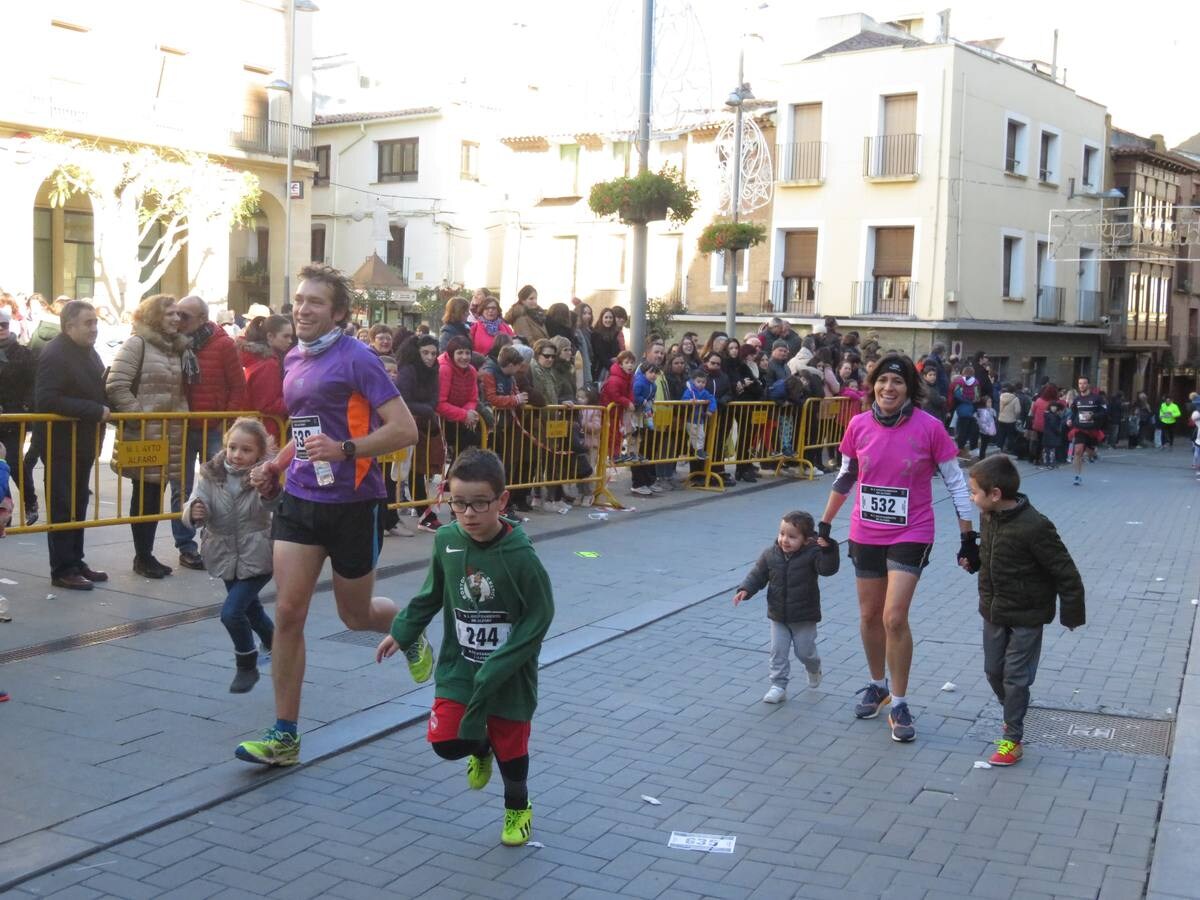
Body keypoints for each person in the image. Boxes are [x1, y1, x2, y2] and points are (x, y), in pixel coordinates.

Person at [236, 264, 419, 767]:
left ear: (338, 312)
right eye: (298, 300)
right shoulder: (293, 356)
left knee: (354, 615)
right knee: (290, 613)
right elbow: (304, 424)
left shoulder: (358, 357)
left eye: (315, 302)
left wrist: (345, 449)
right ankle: (284, 736)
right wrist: (276, 464)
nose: (302, 309)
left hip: (353, 503)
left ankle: (408, 628)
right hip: (300, 500)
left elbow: (405, 431)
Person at [376, 448, 554, 847]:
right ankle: (480, 745)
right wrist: (402, 631)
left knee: (512, 748)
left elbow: (540, 616)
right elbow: (431, 593)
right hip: (460, 666)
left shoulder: (521, 555)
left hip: (509, 674)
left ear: (502, 501)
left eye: (480, 504)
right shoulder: (446, 540)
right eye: (458, 503)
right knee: (445, 743)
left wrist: (503, 663)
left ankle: (517, 808)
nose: (469, 514)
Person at [817, 354, 976, 743]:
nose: (889, 388)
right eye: (883, 381)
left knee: (893, 617)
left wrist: (968, 537)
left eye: (898, 382)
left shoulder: (930, 428)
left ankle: (901, 701)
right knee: (870, 615)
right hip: (865, 531)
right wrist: (823, 523)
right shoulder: (858, 424)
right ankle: (877, 686)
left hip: (912, 531)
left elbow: (956, 482)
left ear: (910, 389)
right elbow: (846, 475)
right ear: (873, 384)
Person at [963, 454, 1085, 765]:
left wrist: (1071, 613)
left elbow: (1065, 571)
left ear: (995, 494)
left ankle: (1012, 738)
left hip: (1028, 615)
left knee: (1015, 676)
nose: (970, 496)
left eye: (974, 491)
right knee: (994, 671)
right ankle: (1014, 710)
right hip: (993, 610)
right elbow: (990, 553)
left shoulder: (1036, 526)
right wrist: (974, 559)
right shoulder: (988, 516)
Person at [183, 418, 278, 693]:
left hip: (257, 554)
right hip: (223, 555)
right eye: (233, 447)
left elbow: (274, 503)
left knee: (231, 613)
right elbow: (195, 500)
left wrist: (267, 487)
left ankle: (246, 664)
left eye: (246, 450)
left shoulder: (263, 475)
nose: (237, 455)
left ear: (259, 453)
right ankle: (276, 643)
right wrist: (194, 512)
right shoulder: (211, 474)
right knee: (252, 610)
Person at [106, 294, 192, 579]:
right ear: (154, 316)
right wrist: (139, 415)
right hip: (144, 434)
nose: (176, 319)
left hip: (170, 435)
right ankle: (142, 556)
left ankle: (146, 555)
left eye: (179, 314)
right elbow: (116, 384)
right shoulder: (137, 343)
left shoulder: (176, 349)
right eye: (170, 314)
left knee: (155, 494)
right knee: (145, 494)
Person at [33, 301, 110, 589]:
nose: (94, 328)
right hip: (60, 444)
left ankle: (76, 561)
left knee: (78, 501)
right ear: (69, 326)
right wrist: (93, 410)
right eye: (88, 323)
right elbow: (47, 400)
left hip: (84, 442)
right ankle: (63, 569)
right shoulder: (55, 353)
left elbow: (99, 390)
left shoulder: (88, 353)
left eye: (95, 322)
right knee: (63, 504)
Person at [173, 295, 248, 571]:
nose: (179, 320)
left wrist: (226, 422)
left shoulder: (223, 344)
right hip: (181, 426)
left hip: (213, 427)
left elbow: (238, 386)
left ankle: (212, 540)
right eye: (177, 314)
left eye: (185, 316)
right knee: (180, 486)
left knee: (216, 487)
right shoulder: (174, 342)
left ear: (203, 319)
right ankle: (185, 545)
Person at [734, 510, 840, 703]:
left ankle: (814, 667)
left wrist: (829, 550)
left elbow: (827, 569)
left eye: (792, 537)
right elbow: (758, 574)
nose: (785, 540)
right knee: (777, 651)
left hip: (804, 615)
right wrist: (745, 589)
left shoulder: (813, 553)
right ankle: (778, 685)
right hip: (778, 614)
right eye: (782, 534)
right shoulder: (770, 554)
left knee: (805, 652)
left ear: (807, 540)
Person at [394, 334, 444, 533]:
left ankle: (424, 513)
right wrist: (427, 410)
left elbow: (434, 398)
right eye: (425, 352)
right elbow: (403, 399)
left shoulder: (433, 371)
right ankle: (418, 513)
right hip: (404, 425)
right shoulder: (408, 371)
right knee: (398, 472)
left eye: (433, 353)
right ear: (417, 353)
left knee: (418, 471)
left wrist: (427, 410)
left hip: (422, 426)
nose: (430, 357)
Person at [0, 306, 39, 524]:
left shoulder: (24, 354)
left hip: (14, 420)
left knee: (14, 463)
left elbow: (33, 384)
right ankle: (4, 511)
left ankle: (30, 501)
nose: (0, 329)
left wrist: (25, 407)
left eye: (4, 325)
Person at [240, 315, 293, 442]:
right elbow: (267, 404)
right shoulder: (268, 364)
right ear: (270, 336)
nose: (290, 341)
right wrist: (295, 401)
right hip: (266, 431)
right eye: (286, 336)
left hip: (255, 428)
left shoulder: (255, 358)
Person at [436, 336, 482, 465]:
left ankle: (454, 481)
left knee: (473, 442)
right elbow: (439, 403)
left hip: (459, 418)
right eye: (460, 353)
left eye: (467, 353)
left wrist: (469, 413)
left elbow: (473, 398)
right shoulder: (444, 369)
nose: (464, 357)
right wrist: (464, 415)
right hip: (440, 420)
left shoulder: (472, 371)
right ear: (452, 354)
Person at [1067, 376, 1107, 486]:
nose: (1082, 386)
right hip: (1080, 429)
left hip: (1092, 430)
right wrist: (1070, 420)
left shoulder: (1097, 398)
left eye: (1084, 383)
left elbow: (1104, 413)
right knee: (1078, 451)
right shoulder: (1077, 400)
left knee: (1090, 452)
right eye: (1080, 383)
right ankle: (1077, 476)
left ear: (1088, 385)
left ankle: (1094, 455)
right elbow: (1074, 413)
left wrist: (1093, 415)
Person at [589, 308, 621, 384]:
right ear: (601, 318)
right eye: (606, 317)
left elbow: (617, 351)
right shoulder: (596, 334)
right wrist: (613, 367)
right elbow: (600, 355)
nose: (608, 320)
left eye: (610, 317)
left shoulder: (615, 333)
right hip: (601, 369)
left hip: (613, 366)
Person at [996, 384, 1020, 453]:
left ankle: (999, 448)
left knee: (1001, 435)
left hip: (1001, 419)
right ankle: (1009, 449)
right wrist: (1015, 416)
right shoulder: (1015, 399)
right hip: (1011, 420)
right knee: (1010, 436)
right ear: (1013, 391)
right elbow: (1017, 411)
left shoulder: (1001, 396)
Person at [1041, 400, 1065, 469]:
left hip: (1047, 434)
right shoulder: (1052, 416)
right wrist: (1059, 431)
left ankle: (1046, 463)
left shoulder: (1048, 414)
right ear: (1050, 407)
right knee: (1051, 449)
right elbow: (1054, 425)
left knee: (1047, 449)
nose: (1054, 408)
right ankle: (1051, 463)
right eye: (1052, 406)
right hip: (1052, 434)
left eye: (1055, 407)